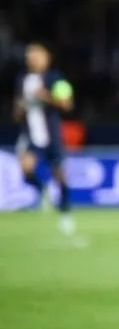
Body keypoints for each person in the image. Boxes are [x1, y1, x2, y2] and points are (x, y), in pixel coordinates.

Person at [14, 42, 75, 234]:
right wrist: (20, 107)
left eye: (36, 55)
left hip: (51, 133)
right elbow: (16, 112)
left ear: (46, 58)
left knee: (60, 173)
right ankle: (43, 189)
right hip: (31, 133)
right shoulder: (22, 79)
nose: (32, 59)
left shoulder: (54, 78)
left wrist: (45, 97)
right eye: (29, 56)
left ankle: (65, 212)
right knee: (25, 167)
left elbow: (67, 105)